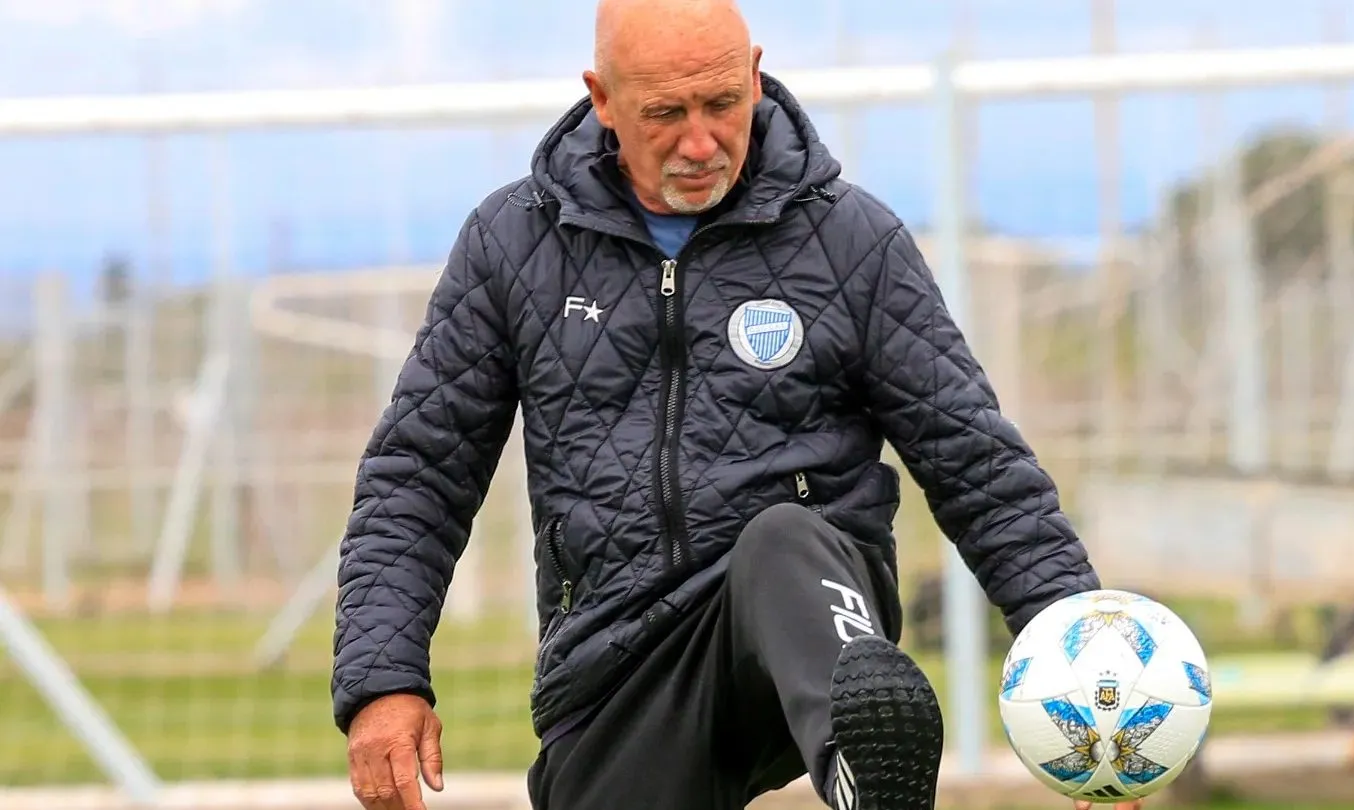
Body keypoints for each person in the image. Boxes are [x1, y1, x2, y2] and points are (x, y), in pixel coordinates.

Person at [332, 1, 1138, 808]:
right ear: (603, 99)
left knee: (782, 542)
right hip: (620, 653)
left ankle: (867, 767)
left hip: (808, 629)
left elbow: (978, 465)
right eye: (664, 113)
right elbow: (421, 471)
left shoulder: (850, 240)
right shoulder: (513, 243)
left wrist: (1092, 676)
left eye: (722, 104)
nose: (699, 141)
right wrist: (380, 680)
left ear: (755, 76)